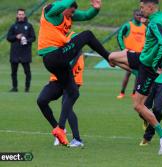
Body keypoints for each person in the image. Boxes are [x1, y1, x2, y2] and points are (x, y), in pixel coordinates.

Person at [109, 0, 162, 155]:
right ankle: (135, 72)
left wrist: (156, 64)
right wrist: (154, 27)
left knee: (138, 106)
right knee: (111, 57)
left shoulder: (156, 23)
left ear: (151, 7)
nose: (140, 10)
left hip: (148, 67)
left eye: (142, 7)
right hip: (142, 58)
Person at [37, 0, 110, 146]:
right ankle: (109, 57)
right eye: (71, 11)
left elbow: (85, 15)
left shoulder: (68, 16)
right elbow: (61, 5)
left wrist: (95, 9)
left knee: (72, 93)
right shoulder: (51, 12)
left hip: (57, 61)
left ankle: (59, 129)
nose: (73, 15)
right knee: (88, 35)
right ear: (65, 8)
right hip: (54, 55)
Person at [37, 32, 84, 147]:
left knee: (66, 106)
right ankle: (58, 130)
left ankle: (77, 139)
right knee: (41, 100)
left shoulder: (72, 36)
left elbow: (75, 55)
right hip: (57, 79)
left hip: (72, 78)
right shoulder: (53, 37)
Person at [116, 9, 146, 99]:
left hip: (140, 54)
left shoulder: (144, 27)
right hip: (129, 54)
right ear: (133, 15)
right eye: (137, 15)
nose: (139, 16)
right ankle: (122, 92)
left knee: (138, 74)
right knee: (128, 73)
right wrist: (123, 49)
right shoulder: (128, 25)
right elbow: (119, 35)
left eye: (141, 15)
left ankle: (134, 92)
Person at [7, 8, 36, 92]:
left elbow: (33, 38)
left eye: (22, 14)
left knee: (27, 72)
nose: (21, 16)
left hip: (25, 53)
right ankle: (14, 87)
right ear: (17, 15)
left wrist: (26, 40)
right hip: (15, 53)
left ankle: (27, 88)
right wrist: (16, 37)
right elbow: (9, 37)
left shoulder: (29, 26)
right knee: (13, 72)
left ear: (24, 15)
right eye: (19, 14)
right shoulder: (13, 26)